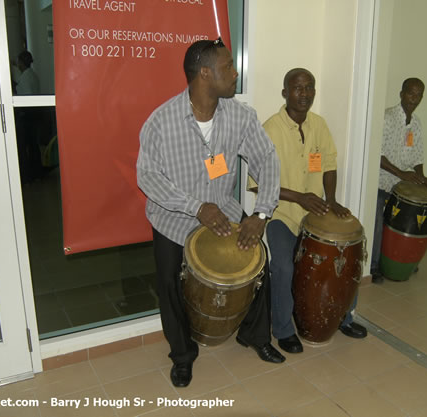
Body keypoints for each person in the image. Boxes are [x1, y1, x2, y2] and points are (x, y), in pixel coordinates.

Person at [136, 38, 284, 388]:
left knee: (260, 265)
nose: (235, 73)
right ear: (205, 74)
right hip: (174, 220)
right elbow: (147, 176)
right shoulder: (161, 121)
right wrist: (196, 207)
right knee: (169, 281)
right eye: (228, 66)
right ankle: (183, 355)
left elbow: (267, 160)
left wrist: (260, 214)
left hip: (226, 214)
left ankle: (256, 336)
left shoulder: (241, 116)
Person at [250, 68, 367, 355]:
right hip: (283, 214)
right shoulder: (270, 129)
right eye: (297, 88)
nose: (304, 94)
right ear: (285, 93)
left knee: (345, 251)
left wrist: (332, 199)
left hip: (316, 214)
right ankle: (284, 329)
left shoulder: (319, 125)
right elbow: (258, 185)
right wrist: (299, 197)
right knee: (285, 267)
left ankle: (343, 316)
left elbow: (328, 163)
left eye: (309, 87)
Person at [370, 77, 427, 283]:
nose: (414, 98)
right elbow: (377, 155)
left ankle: (403, 260)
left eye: (418, 95)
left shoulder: (416, 123)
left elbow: (418, 156)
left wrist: (421, 178)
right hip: (382, 182)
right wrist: (401, 174)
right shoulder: (387, 118)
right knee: (379, 225)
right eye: (411, 93)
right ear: (401, 93)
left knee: (406, 224)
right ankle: (374, 266)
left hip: (401, 184)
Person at [14, 51, 42, 183]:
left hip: (27, 115)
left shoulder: (25, 77)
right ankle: (36, 172)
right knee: (33, 144)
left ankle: (28, 174)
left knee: (25, 145)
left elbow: (27, 95)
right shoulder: (32, 75)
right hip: (34, 114)